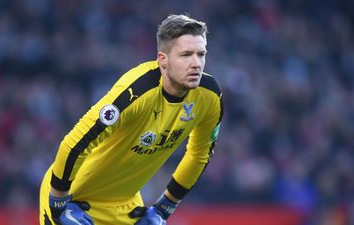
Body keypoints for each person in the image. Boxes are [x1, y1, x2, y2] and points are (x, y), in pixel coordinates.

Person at [39, 14, 223, 225]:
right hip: (73, 198)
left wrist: (165, 206)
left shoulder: (209, 97)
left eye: (201, 55)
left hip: (124, 207)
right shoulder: (137, 92)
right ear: (163, 59)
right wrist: (58, 203)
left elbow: (199, 154)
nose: (196, 64)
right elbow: (75, 143)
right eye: (186, 55)